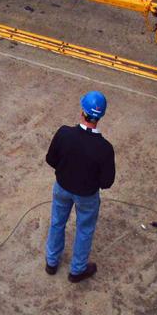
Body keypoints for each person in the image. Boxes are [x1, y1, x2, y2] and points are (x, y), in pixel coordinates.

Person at [44, 91, 114, 283]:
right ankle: (77, 270)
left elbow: (51, 159)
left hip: (62, 188)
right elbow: (107, 182)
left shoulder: (64, 133)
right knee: (84, 229)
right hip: (87, 195)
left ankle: (51, 262)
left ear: (82, 110)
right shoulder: (104, 148)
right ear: (100, 116)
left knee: (57, 222)